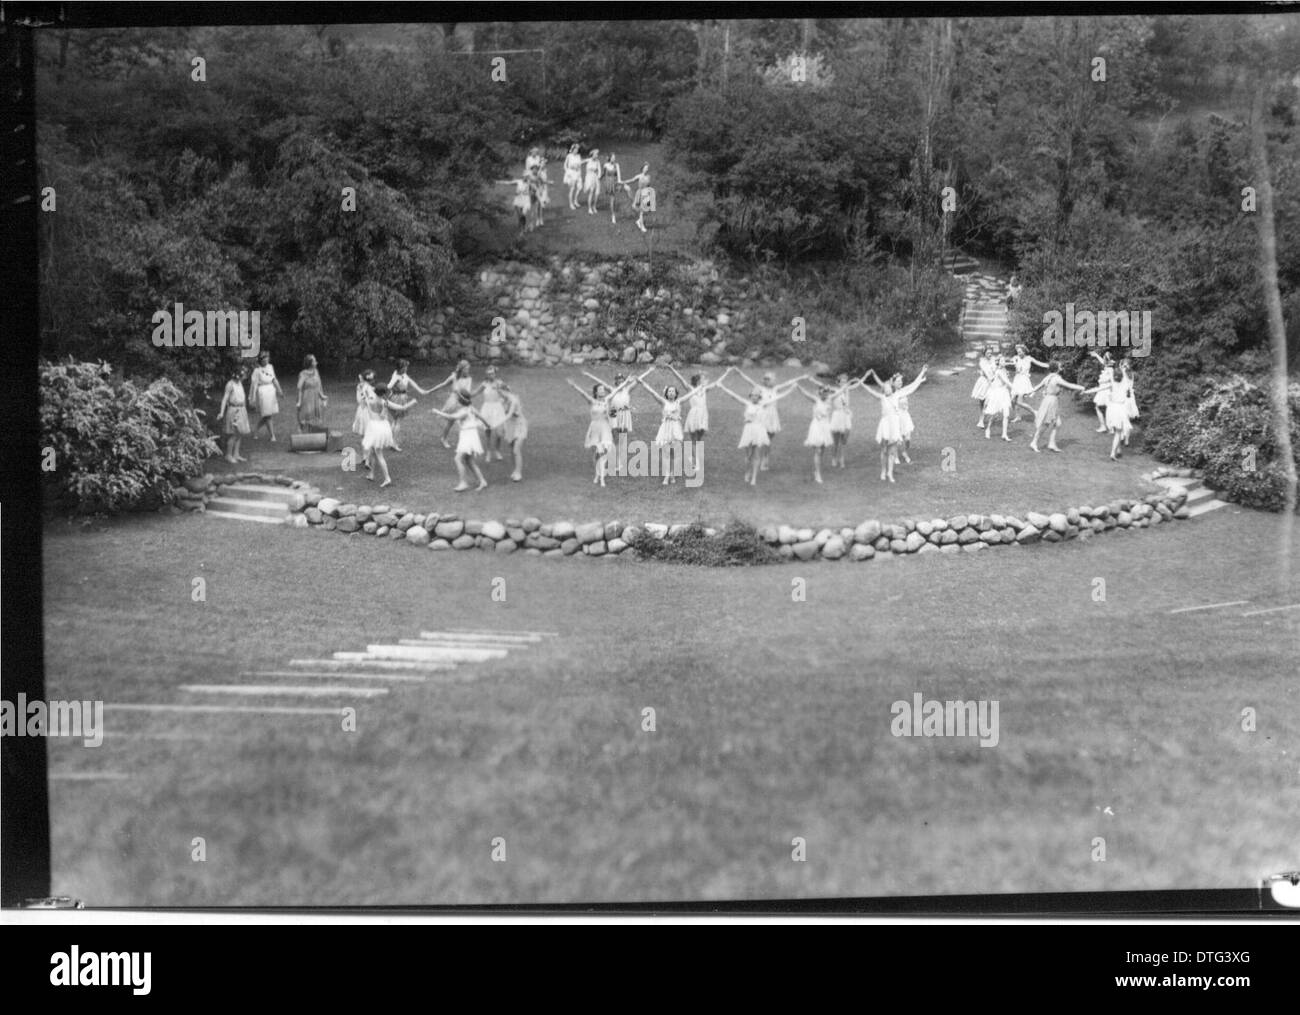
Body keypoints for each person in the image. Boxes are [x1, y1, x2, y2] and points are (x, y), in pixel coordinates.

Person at [713, 379, 797, 487]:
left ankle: (754, 478)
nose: (754, 397)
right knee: (748, 455)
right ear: (750, 396)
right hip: (748, 430)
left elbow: (779, 397)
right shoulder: (747, 403)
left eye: (756, 396)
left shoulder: (764, 404)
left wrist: (791, 389)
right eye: (752, 395)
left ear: (759, 397)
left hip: (759, 431)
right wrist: (722, 387)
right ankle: (747, 471)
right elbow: (734, 396)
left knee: (756, 455)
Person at [638, 376, 716, 485]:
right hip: (665, 429)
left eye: (673, 391)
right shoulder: (663, 402)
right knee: (665, 453)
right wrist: (642, 383)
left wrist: (701, 386)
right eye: (669, 391)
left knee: (675, 454)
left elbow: (689, 394)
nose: (671, 393)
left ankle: (673, 475)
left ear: (676, 394)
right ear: (666, 393)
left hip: (675, 429)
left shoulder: (679, 402)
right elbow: (652, 393)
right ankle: (666, 476)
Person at [732, 369, 808, 472]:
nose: (769, 381)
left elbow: (788, 383)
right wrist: (739, 373)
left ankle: (765, 459)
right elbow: (749, 380)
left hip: (773, 416)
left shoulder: (775, 388)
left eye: (771, 379)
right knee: (761, 438)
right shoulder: (760, 388)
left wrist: (801, 377)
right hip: (762, 415)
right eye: (767, 379)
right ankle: (756, 459)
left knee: (768, 440)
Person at [429, 392, 490, 491]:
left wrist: (437, 412)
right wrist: (488, 425)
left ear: (460, 402)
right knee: (469, 460)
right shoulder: (471, 409)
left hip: (468, 436)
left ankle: (463, 483)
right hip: (470, 435)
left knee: (458, 459)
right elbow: (481, 417)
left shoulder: (464, 412)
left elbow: (451, 417)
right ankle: (482, 481)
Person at [361, 384, 414, 489]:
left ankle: (387, 478)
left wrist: (365, 392)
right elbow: (401, 407)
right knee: (373, 451)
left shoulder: (369, 399)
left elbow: (366, 395)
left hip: (374, 428)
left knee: (378, 454)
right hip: (383, 427)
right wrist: (412, 402)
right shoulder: (385, 402)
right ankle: (371, 474)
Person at [1027, 361, 1087, 453]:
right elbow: (1069, 385)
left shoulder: (1048, 377)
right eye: (1060, 366)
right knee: (1046, 424)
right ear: (1057, 369)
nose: (1061, 367)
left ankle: (1051, 444)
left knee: (1057, 423)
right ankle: (1034, 442)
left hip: (1049, 400)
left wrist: (1029, 392)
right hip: (1051, 401)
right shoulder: (1057, 379)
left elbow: (1037, 387)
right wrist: (1081, 388)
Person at [566, 378, 616, 486]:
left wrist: (627, 382)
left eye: (603, 389)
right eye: (600, 390)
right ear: (596, 392)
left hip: (605, 428)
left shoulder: (607, 401)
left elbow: (616, 391)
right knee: (597, 454)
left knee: (603, 453)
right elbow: (583, 394)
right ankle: (597, 474)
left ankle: (602, 478)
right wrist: (574, 386)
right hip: (594, 429)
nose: (603, 391)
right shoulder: (592, 401)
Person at [793, 382, 836, 484]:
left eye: (826, 393)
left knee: (822, 450)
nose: (825, 395)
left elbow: (841, 391)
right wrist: (798, 386)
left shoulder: (830, 400)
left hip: (825, 426)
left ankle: (816, 470)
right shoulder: (816, 400)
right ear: (820, 393)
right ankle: (818, 474)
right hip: (816, 426)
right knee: (818, 451)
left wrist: (848, 385)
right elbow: (805, 393)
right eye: (823, 393)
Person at [386, 359, 432, 451]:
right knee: (397, 421)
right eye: (405, 367)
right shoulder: (396, 376)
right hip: (398, 398)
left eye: (406, 366)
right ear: (400, 368)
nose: (406, 368)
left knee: (395, 420)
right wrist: (391, 392)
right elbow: (388, 386)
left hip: (401, 397)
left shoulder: (403, 374)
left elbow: (411, 382)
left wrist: (421, 391)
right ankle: (394, 444)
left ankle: (391, 442)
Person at [429, 360, 473, 449]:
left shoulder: (469, 379)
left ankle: (464, 441)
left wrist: (462, 396)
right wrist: (430, 390)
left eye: (468, 369)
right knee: (451, 421)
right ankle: (444, 439)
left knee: (464, 421)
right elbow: (443, 384)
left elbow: (467, 393)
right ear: (461, 369)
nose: (468, 371)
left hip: (463, 402)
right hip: (453, 402)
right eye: (466, 369)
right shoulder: (454, 377)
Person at [473, 365, 510, 462]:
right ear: (487, 375)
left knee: (499, 433)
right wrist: (464, 395)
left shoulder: (499, 383)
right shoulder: (484, 384)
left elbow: (508, 391)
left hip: (497, 408)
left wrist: (503, 399)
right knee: (488, 431)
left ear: (495, 374)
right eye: (489, 374)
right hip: (487, 408)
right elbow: (475, 392)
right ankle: (488, 452)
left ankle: (497, 450)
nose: (491, 375)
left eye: (492, 373)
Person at [217, 364, 250, 463]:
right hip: (233, 410)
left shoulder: (240, 383)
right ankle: (228, 455)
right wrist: (221, 412)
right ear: (238, 374)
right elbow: (225, 399)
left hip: (241, 409)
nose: (245, 376)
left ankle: (236, 454)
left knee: (240, 433)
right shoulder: (230, 384)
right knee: (233, 434)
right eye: (243, 374)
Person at [1009, 344, 1050, 422]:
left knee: (1019, 402)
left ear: (1024, 351)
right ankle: (1018, 416)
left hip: (1024, 381)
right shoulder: (1016, 358)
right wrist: (1014, 362)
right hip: (1017, 380)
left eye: (1020, 352)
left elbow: (1040, 363)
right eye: (1018, 352)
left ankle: (1035, 412)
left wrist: (1049, 366)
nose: (1019, 353)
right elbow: (1012, 366)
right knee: (1013, 401)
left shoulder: (1029, 358)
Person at [249, 351, 283, 442]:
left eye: (267, 358)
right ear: (261, 360)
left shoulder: (270, 367)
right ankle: (272, 435)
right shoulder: (257, 371)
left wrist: (279, 390)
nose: (266, 360)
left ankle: (255, 430)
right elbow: (254, 385)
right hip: (263, 392)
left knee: (268, 414)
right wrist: (253, 398)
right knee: (267, 415)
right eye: (264, 358)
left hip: (271, 391)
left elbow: (274, 379)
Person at [980, 357, 1014, 441]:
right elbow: (1006, 381)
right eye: (1002, 361)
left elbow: (1006, 381)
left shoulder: (1004, 371)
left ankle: (1004, 434)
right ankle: (988, 429)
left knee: (1006, 414)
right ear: (998, 363)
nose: (1004, 362)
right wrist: (1015, 387)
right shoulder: (998, 372)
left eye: (1004, 361)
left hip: (1004, 393)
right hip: (998, 393)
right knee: (994, 414)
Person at [500, 383, 527, 482]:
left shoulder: (513, 400)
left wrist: (497, 423)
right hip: (510, 426)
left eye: (500, 392)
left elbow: (509, 414)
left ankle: (519, 473)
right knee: (511, 449)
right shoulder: (503, 400)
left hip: (519, 425)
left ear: (504, 391)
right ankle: (515, 470)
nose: (500, 395)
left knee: (516, 449)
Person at [296, 354, 327, 433]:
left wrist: (322, 396)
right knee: (306, 415)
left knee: (315, 415)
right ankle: (301, 430)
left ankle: (312, 432)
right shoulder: (303, 374)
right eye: (314, 360)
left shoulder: (316, 372)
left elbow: (318, 385)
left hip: (316, 397)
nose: (316, 362)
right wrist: (299, 401)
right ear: (310, 363)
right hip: (307, 397)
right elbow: (299, 388)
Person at [1088, 351, 1115, 432]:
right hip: (1103, 390)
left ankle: (1109, 427)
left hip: (1106, 391)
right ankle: (1106, 426)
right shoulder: (1108, 367)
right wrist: (1096, 355)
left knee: (1107, 408)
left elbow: (1113, 382)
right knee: (1100, 407)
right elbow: (1102, 361)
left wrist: (1113, 392)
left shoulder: (1110, 369)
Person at [971, 345, 997, 425]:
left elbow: (996, 369)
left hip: (992, 382)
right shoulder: (982, 362)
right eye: (988, 353)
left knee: (988, 401)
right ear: (984, 353)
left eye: (991, 353)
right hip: (984, 382)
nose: (990, 354)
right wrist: (991, 379)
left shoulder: (993, 360)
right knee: (982, 402)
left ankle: (982, 419)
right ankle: (982, 418)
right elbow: (986, 372)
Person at [352, 370, 375, 437]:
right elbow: (368, 396)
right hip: (366, 405)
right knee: (366, 419)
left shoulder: (363, 385)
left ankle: (364, 431)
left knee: (362, 418)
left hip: (362, 405)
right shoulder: (366, 387)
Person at [602, 151, 622, 224]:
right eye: (613, 158)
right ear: (610, 158)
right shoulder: (605, 165)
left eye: (614, 158)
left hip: (615, 182)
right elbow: (604, 173)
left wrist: (619, 183)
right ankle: (613, 215)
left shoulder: (617, 165)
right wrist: (600, 177)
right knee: (612, 199)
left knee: (614, 199)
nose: (614, 159)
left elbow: (619, 175)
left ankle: (613, 212)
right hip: (608, 183)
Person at [563, 143, 584, 210]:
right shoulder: (569, 156)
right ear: (572, 149)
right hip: (571, 173)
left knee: (580, 187)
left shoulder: (578, 156)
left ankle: (575, 200)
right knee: (572, 189)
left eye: (577, 149)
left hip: (577, 173)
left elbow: (580, 164)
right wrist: (567, 172)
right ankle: (571, 203)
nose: (576, 150)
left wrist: (579, 170)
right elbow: (565, 165)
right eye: (575, 149)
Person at [582, 148, 602, 214]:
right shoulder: (588, 160)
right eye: (596, 154)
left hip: (595, 177)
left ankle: (594, 206)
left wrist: (599, 176)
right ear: (592, 154)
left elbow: (599, 170)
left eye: (597, 154)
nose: (597, 156)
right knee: (591, 191)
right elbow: (580, 162)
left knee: (597, 193)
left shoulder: (597, 161)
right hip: (589, 177)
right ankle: (589, 208)